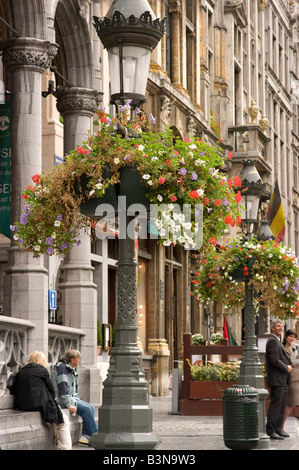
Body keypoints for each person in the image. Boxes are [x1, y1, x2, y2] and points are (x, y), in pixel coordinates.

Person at [10, 351, 72, 450]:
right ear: (42, 360)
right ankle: (66, 448)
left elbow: (13, 390)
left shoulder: (21, 372)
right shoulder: (42, 370)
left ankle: (59, 444)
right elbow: (52, 390)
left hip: (22, 405)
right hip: (39, 404)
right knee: (63, 421)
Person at [52, 349, 98, 445]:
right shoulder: (62, 368)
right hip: (62, 400)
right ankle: (95, 435)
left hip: (72, 398)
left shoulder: (68, 368)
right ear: (72, 360)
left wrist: (78, 399)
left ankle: (85, 436)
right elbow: (63, 388)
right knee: (87, 410)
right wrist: (69, 405)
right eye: (78, 359)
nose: (79, 361)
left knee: (91, 407)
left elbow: (73, 391)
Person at [265, 320, 292, 440]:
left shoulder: (277, 341)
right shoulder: (272, 341)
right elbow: (274, 360)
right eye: (278, 326)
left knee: (281, 406)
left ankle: (277, 429)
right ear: (273, 329)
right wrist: (286, 367)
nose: (280, 328)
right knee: (276, 406)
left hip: (283, 379)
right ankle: (271, 430)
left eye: (281, 326)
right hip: (277, 380)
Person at [281, 329, 299, 433]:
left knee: (291, 403)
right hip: (292, 377)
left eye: (294, 337)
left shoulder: (296, 348)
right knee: (291, 403)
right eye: (290, 336)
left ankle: (280, 426)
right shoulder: (283, 349)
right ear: (286, 337)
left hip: (298, 377)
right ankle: (281, 426)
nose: (292, 338)